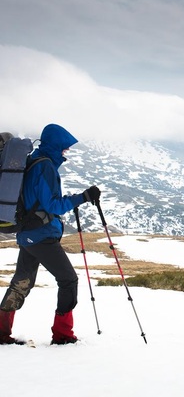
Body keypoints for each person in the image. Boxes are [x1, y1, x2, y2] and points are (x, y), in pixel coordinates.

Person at [0, 124, 101, 345]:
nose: (66, 151)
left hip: (27, 234)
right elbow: (52, 205)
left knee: (21, 282)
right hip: (41, 236)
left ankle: (1, 331)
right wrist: (82, 197)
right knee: (68, 280)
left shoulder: (33, 160)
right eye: (64, 147)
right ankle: (63, 335)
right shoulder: (44, 166)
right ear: (56, 146)